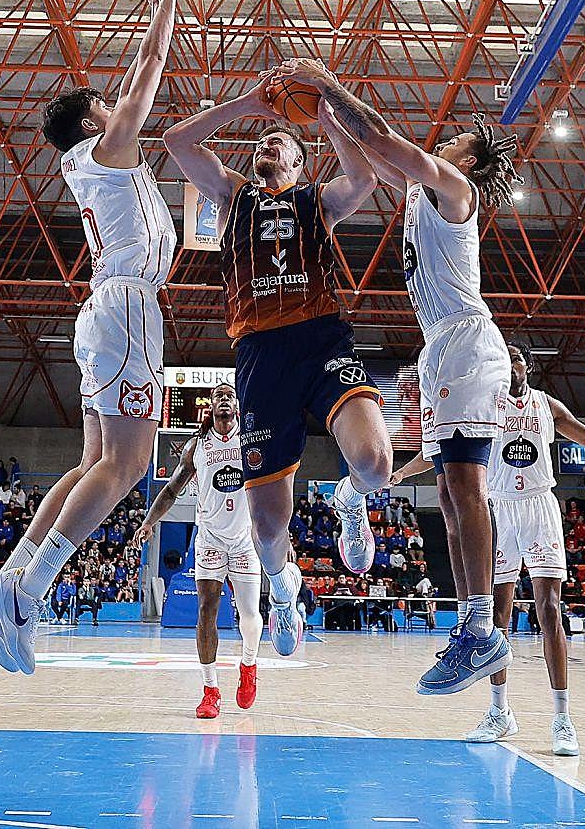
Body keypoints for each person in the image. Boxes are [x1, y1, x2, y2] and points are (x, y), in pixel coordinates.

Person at [0, 0, 183, 675]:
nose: (117, 109)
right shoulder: (107, 151)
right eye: (105, 107)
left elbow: (130, 87)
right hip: (127, 307)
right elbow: (149, 66)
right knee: (127, 463)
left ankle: (11, 576)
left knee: (94, 461)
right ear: (95, 123)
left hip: (105, 308)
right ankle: (26, 593)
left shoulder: (89, 161)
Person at [279, 60, 516, 695]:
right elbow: (371, 154)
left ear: (470, 161)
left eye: (456, 141)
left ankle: (481, 627)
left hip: (466, 342)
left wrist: (326, 83)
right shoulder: (420, 191)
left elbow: (383, 137)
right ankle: (472, 627)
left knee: (465, 487)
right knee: (451, 494)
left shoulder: (454, 187)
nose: (445, 142)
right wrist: (323, 116)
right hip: (440, 347)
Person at [163, 61, 391, 661]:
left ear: (299, 161)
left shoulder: (318, 201)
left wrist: (324, 115)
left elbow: (363, 178)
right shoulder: (231, 194)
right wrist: (248, 105)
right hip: (260, 356)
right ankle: (284, 592)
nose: (267, 144)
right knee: (267, 528)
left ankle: (350, 500)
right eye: (262, 141)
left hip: (321, 341)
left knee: (375, 465)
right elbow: (176, 141)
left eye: (279, 141)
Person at [400, 342, 585, 754]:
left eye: (515, 358)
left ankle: (562, 719)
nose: (509, 364)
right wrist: (398, 475)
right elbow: (439, 452)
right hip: (498, 509)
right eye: (503, 358)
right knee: (495, 618)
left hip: (539, 507)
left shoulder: (548, 407)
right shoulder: (484, 405)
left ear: (527, 367)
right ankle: (500, 712)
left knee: (549, 609)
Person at [136, 383, 263, 718]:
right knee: (206, 609)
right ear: (211, 405)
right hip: (209, 538)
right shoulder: (196, 446)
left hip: (244, 538)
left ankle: (248, 666)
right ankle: (210, 690)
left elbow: (270, 488)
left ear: (237, 406)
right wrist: (149, 522)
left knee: (250, 615)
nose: (224, 399)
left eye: (229, 395)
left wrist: (280, 536)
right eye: (219, 396)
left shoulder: (250, 441)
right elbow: (172, 489)